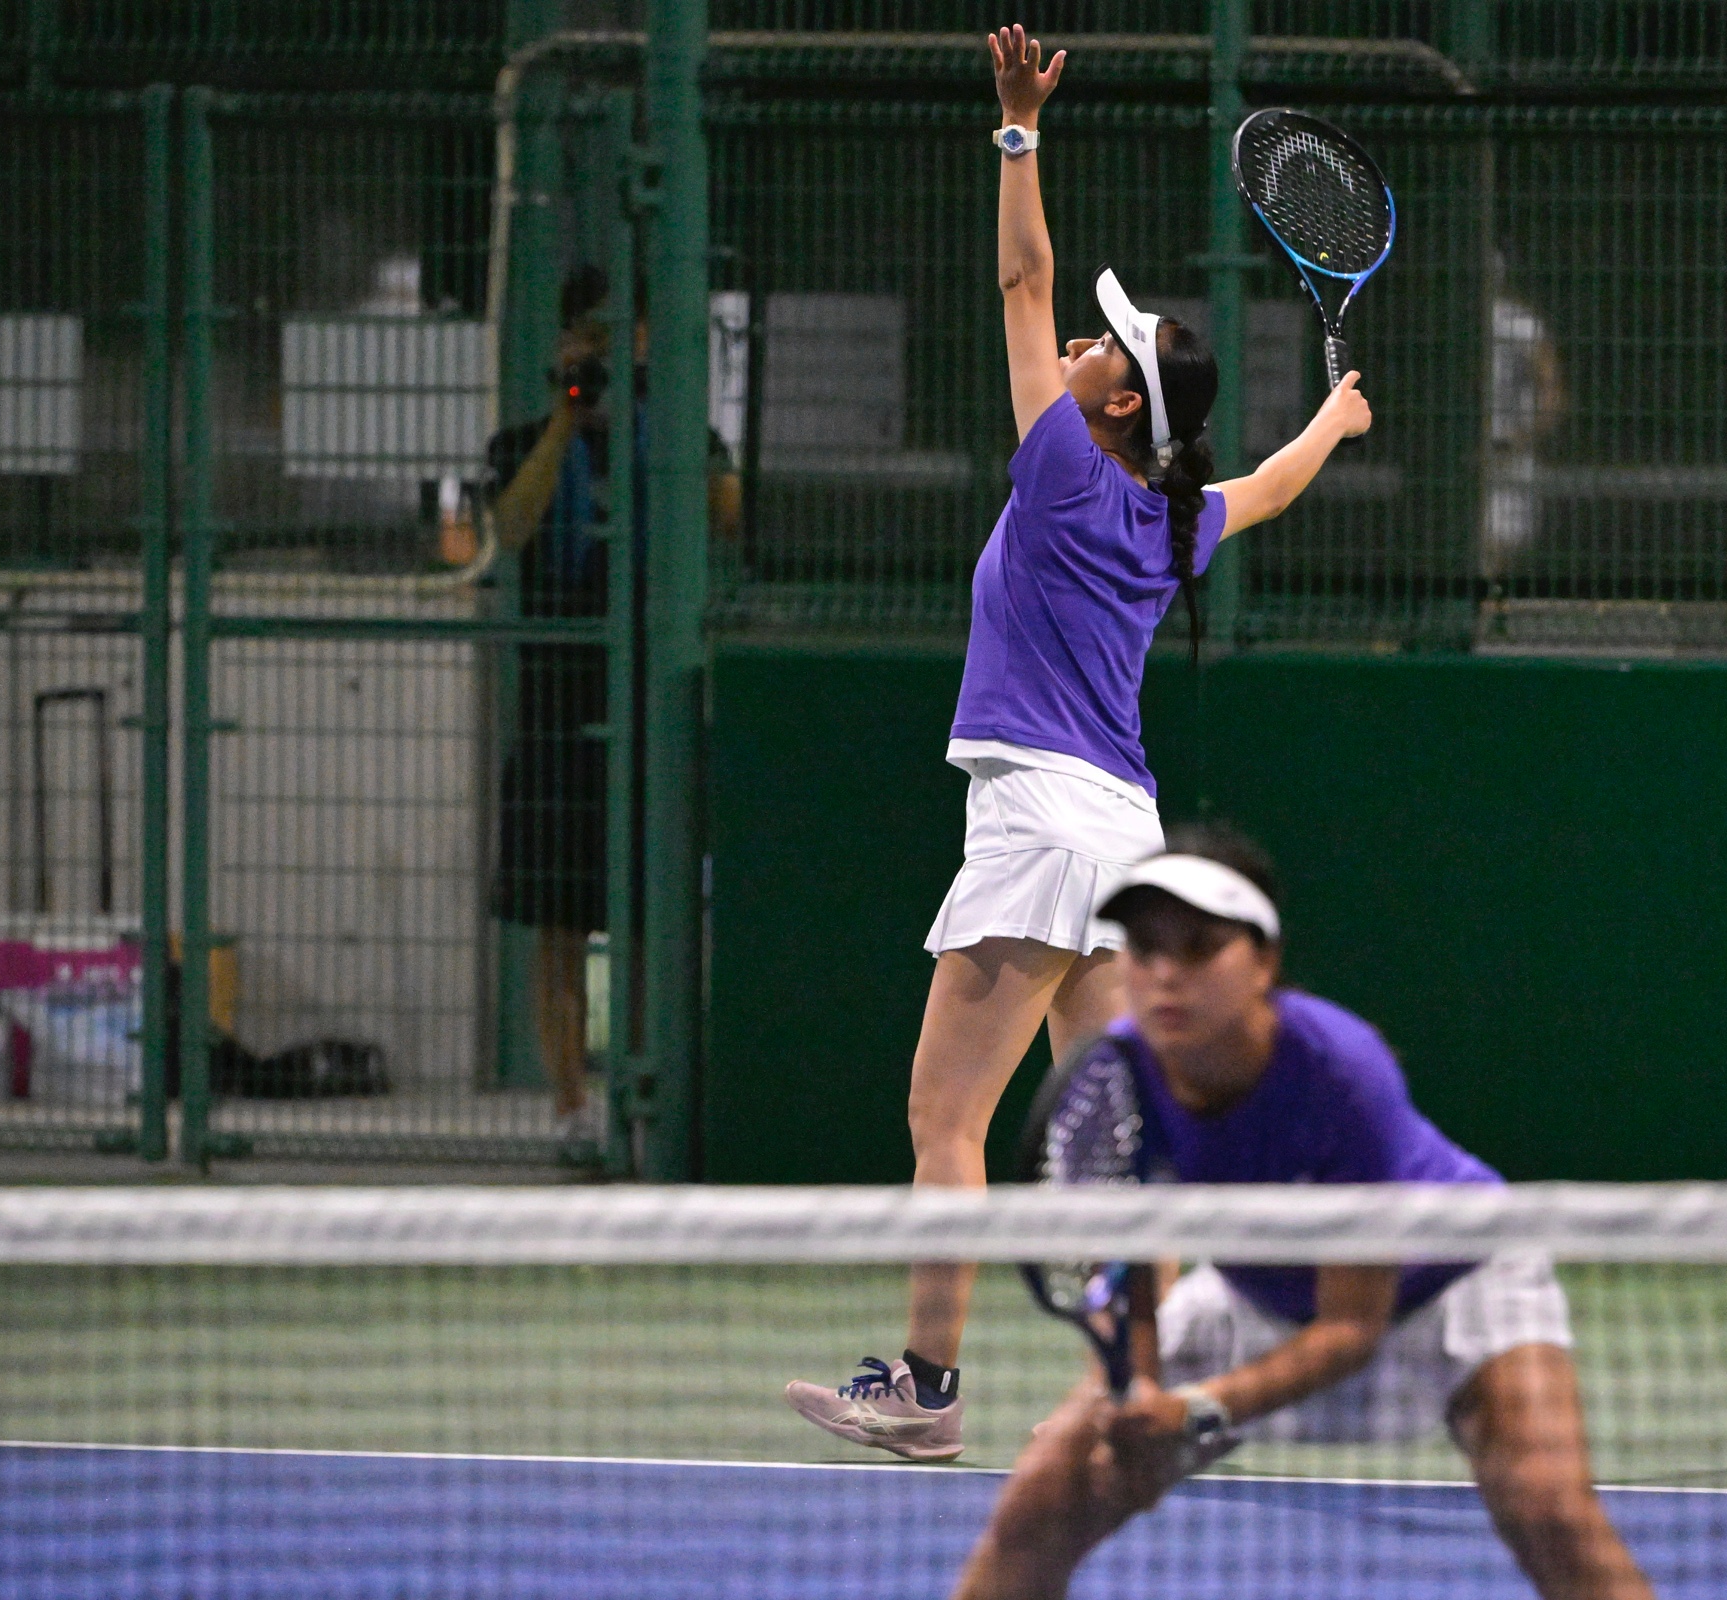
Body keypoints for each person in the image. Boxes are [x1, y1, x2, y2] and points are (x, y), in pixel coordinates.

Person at [784, 25, 1371, 1462]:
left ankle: (926, 1391)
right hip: (1124, 845)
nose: (1084, 338)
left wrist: (1017, 129)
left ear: (1113, 408)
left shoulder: (1062, 467)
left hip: (1040, 826)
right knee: (1111, 1148)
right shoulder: (1175, 520)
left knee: (946, 1120)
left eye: (1108, 347)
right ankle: (1148, 1387)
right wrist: (1337, 420)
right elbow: (1268, 483)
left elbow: (1020, 278)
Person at [950, 826, 1658, 1600]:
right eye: (1145, 949)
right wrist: (1138, 1390)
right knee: (1039, 1505)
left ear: (1264, 962)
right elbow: (1129, 1268)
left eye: (1199, 948)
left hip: (1456, 1280)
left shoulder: (1339, 1070)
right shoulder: (1118, 1073)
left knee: (1550, 1513)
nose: (1165, 975)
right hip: (1256, 1289)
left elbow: (1350, 1328)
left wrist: (1191, 1411)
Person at [486, 266, 737, 1146]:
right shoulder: (523, 441)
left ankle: (641, 1092)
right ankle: (569, 1106)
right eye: (586, 335)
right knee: (556, 920)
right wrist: (568, 415)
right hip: (557, 708)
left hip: (650, 710)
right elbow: (510, 528)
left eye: (618, 334)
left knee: (646, 915)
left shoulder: (677, 440)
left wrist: (675, 422)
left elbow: (727, 518)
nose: (603, 351)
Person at [1482, 249, 1566, 582]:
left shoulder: (1518, 323)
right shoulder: (1450, 323)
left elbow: (1551, 389)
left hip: (1508, 453)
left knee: (1502, 541)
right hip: (1464, 454)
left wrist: (1523, 436)